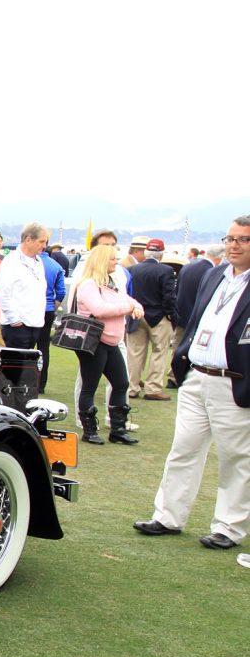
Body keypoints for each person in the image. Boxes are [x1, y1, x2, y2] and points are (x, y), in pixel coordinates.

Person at [135, 218, 250, 553]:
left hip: (234, 382)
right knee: (183, 450)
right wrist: (183, 357)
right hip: (197, 375)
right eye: (230, 238)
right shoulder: (215, 274)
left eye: (243, 240)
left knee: (236, 459)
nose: (234, 245)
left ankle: (228, 527)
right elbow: (197, 316)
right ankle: (168, 516)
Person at [69, 244, 143, 445]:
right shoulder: (88, 285)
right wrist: (128, 308)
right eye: (112, 259)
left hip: (110, 341)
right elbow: (99, 309)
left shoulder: (110, 282)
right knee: (89, 386)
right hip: (94, 342)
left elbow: (129, 300)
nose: (116, 262)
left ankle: (118, 429)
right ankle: (89, 429)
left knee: (121, 383)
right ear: (102, 261)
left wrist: (136, 307)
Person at [126, 238, 177, 401]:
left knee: (134, 353)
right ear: (161, 254)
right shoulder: (166, 270)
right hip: (158, 317)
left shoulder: (132, 269)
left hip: (136, 314)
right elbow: (169, 296)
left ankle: (132, 387)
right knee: (159, 352)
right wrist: (170, 314)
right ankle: (153, 388)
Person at [0, 222, 50, 350]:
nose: (44, 246)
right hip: (18, 327)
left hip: (34, 324)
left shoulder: (39, 262)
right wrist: (15, 321)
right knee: (15, 368)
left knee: (28, 367)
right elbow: (3, 294)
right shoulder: (11, 261)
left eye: (45, 242)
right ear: (28, 239)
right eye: (41, 241)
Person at [36, 234, 66, 392]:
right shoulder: (55, 266)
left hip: (32, 309)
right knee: (43, 348)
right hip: (47, 309)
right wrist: (53, 306)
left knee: (27, 347)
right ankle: (41, 384)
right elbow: (61, 292)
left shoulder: (30, 263)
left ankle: (26, 381)